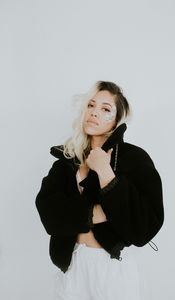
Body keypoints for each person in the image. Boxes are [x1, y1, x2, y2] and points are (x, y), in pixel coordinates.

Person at [35, 80, 164, 300]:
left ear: (116, 120)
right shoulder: (66, 161)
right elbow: (49, 214)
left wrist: (105, 172)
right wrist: (99, 213)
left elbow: (145, 225)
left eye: (105, 109)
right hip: (72, 264)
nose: (94, 113)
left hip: (112, 268)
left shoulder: (134, 159)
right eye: (91, 105)